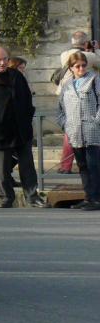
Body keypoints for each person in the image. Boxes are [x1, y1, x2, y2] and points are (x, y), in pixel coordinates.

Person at [0, 46, 46, 208]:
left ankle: (32, 196)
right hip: (1, 131)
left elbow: (27, 99)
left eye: (5, 59)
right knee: (3, 168)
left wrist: (27, 119)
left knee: (27, 165)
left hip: (21, 129)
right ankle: (6, 198)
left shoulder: (16, 76)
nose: (2, 63)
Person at [57, 50, 100, 210]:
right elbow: (60, 109)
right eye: (77, 66)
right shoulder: (67, 85)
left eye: (83, 65)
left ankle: (96, 199)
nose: (81, 69)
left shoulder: (94, 80)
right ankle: (88, 197)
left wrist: (96, 121)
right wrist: (65, 124)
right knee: (82, 166)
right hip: (74, 132)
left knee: (94, 166)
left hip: (92, 131)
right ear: (71, 68)